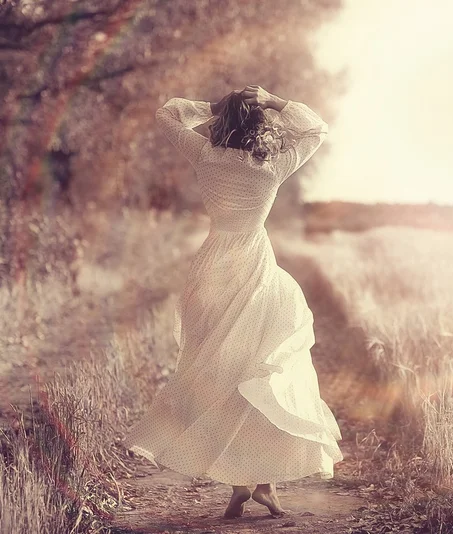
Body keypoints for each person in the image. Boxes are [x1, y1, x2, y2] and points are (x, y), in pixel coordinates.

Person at [121, 85, 344, 519]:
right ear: (262, 127)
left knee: (224, 375)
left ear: (223, 122)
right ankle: (259, 485)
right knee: (257, 372)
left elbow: (168, 114)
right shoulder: (270, 167)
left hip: (212, 268)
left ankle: (250, 485)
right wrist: (274, 102)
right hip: (254, 268)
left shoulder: (205, 154)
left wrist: (215, 107)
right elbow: (315, 128)